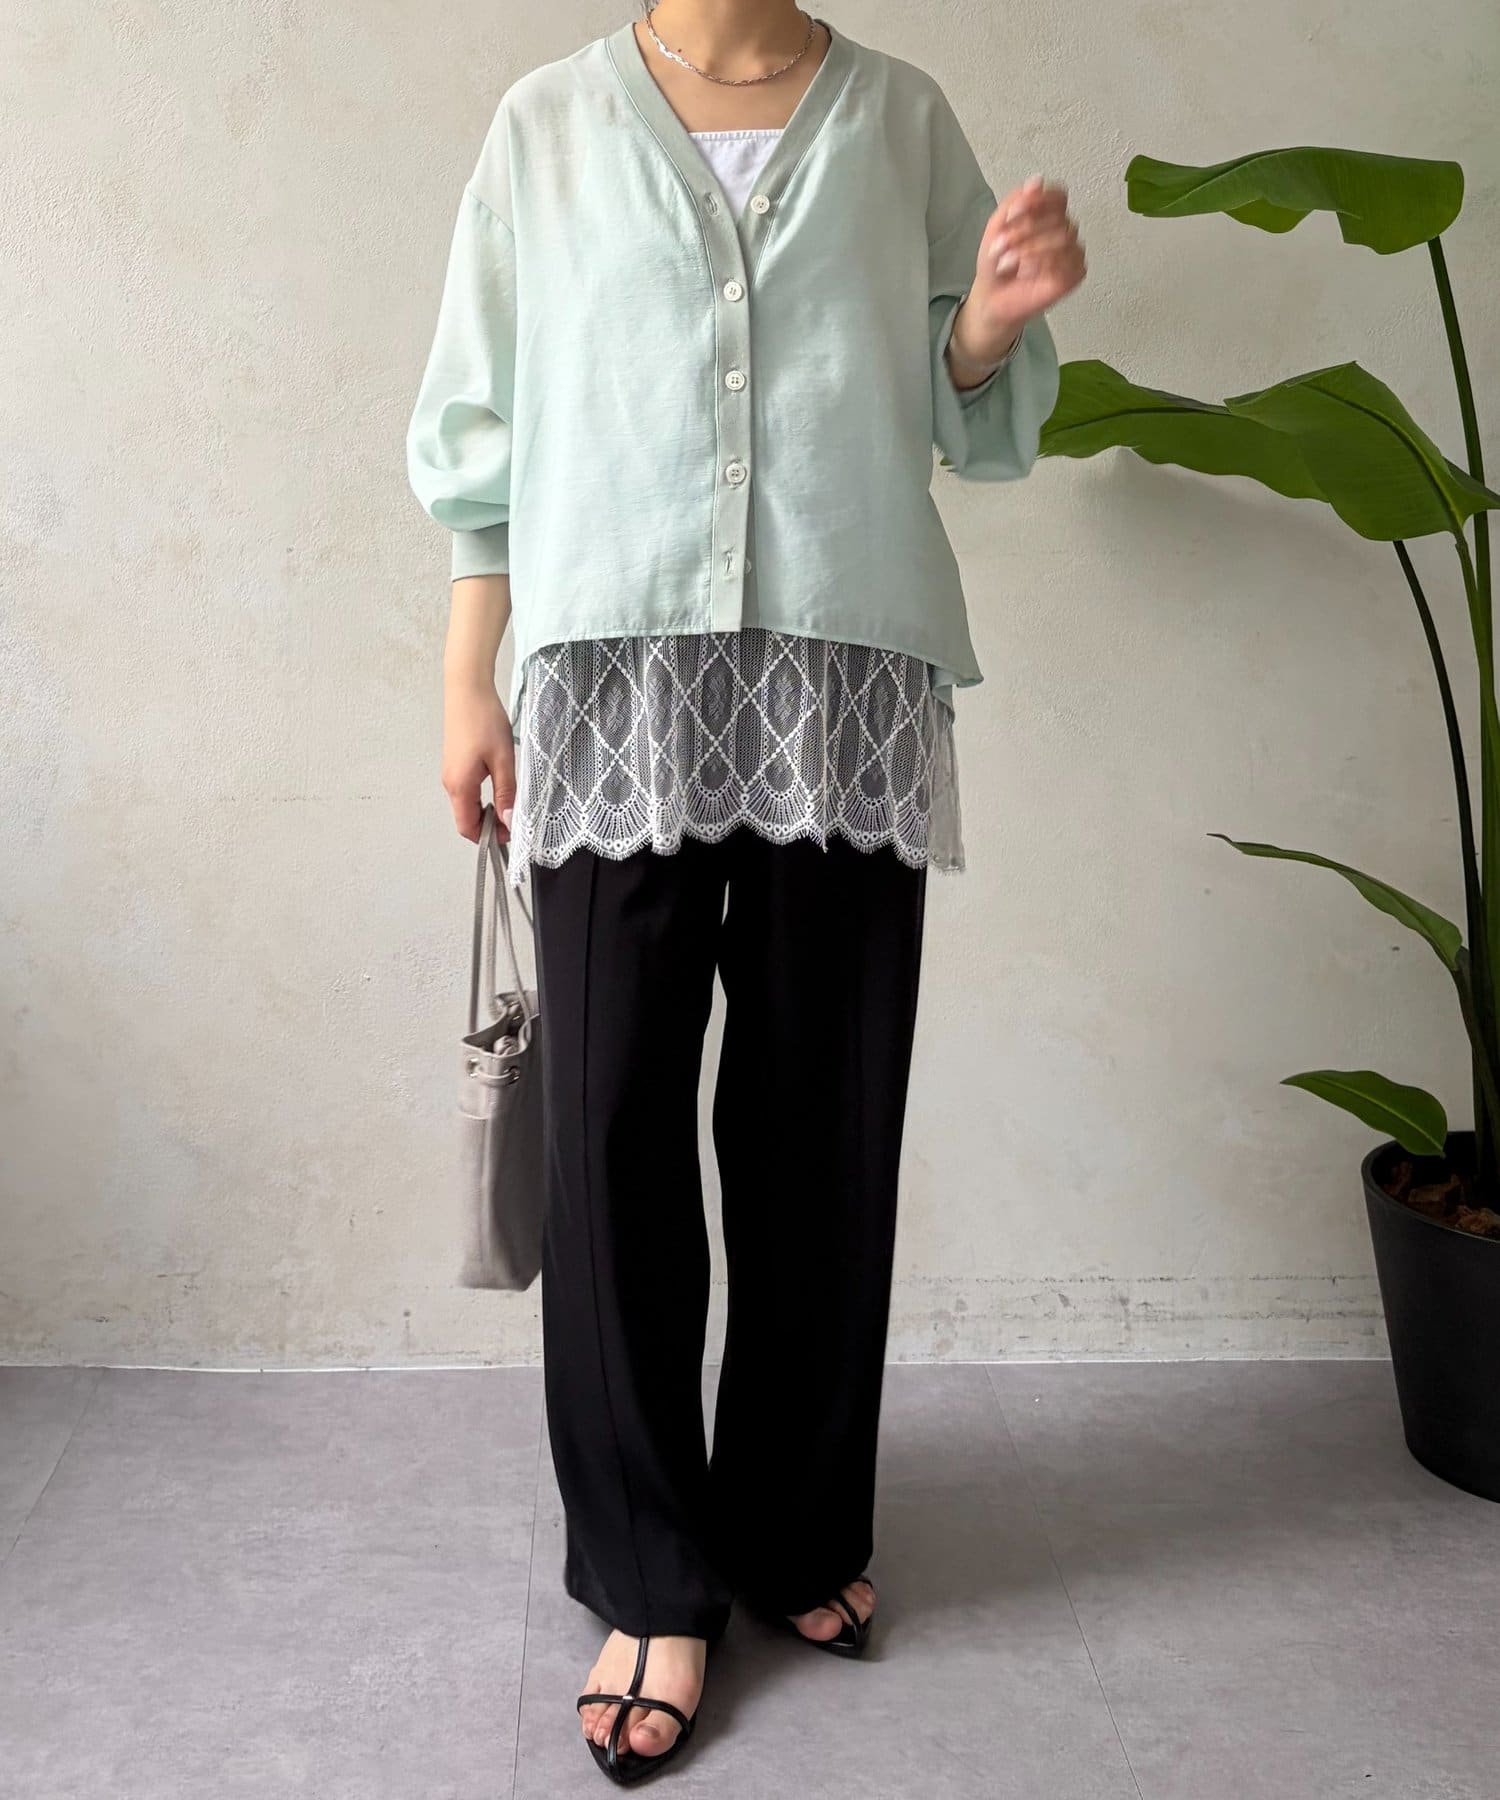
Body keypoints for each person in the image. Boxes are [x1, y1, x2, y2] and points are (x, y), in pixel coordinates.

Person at [406, 0, 1083, 1780]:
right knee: (612, 1128)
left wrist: (989, 323)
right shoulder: (546, 125)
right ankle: (650, 1572)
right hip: (610, 684)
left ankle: (793, 1525)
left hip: (838, 682)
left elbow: (961, 403)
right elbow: (483, 420)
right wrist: (468, 678)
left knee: (819, 1123)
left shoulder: (899, 116)